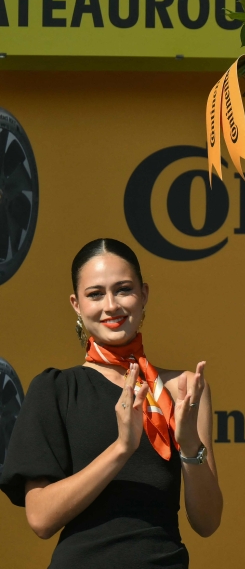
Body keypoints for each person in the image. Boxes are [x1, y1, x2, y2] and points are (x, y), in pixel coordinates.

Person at [0, 239, 222, 568]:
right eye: (95, 294)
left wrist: (190, 445)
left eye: (123, 290)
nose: (111, 305)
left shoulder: (184, 389)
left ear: (143, 294)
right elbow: (41, 518)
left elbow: (207, 521)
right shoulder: (56, 390)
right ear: (76, 304)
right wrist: (121, 448)